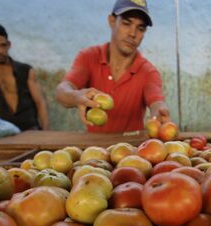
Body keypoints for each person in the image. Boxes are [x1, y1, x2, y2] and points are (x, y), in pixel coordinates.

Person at [55, 0, 170, 133]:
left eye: (140, 28)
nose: (132, 34)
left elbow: (156, 101)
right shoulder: (89, 57)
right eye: (126, 23)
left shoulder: (148, 72)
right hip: (93, 150)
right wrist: (76, 96)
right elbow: (62, 90)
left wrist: (159, 111)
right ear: (111, 21)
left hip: (131, 150)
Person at [0, 22, 49, 131]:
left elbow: (40, 103)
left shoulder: (26, 70)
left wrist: (46, 133)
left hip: (31, 130)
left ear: (9, 44)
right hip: (7, 133)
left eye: (3, 45)